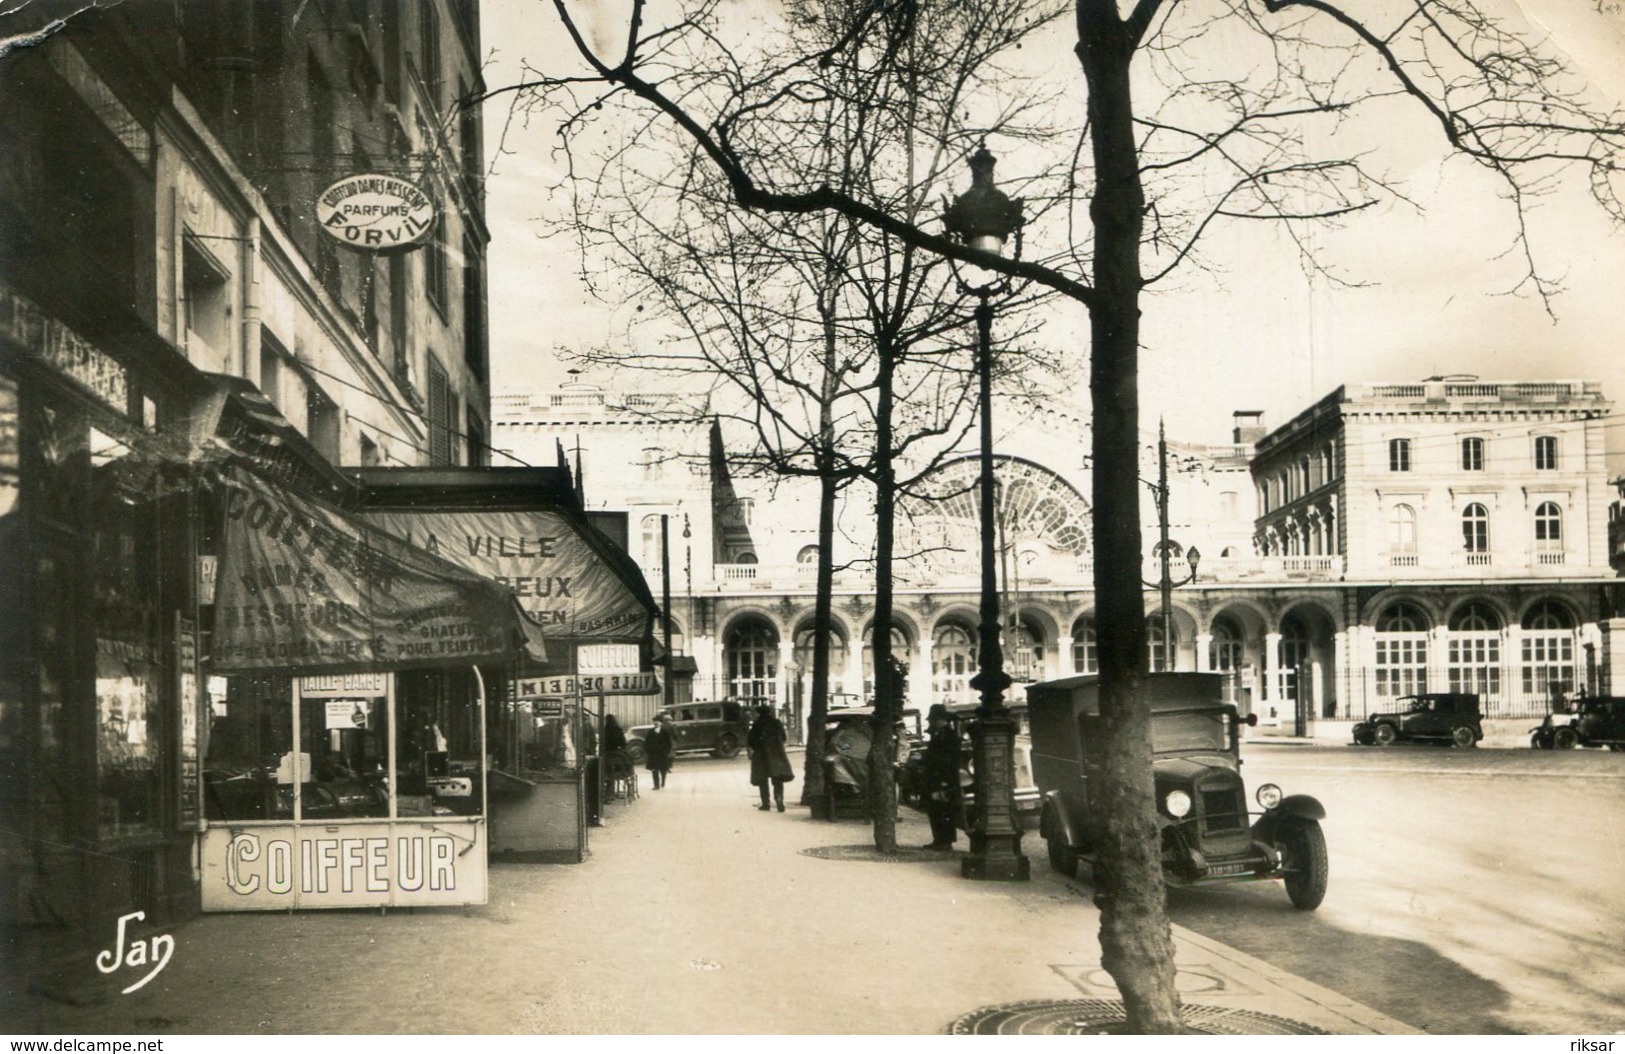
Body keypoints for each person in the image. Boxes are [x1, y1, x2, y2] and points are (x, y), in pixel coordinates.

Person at [921, 703, 962, 850]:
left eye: (933, 720)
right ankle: (939, 839)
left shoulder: (948, 736)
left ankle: (945, 841)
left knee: (944, 810)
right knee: (936, 810)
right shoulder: (941, 734)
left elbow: (948, 760)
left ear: (940, 719)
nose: (931, 723)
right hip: (937, 778)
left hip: (944, 779)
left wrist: (944, 781)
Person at [747, 704, 795, 812]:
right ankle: (779, 800)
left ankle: (766, 803)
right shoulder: (777, 722)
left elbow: (751, 740)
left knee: (762, 780)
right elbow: (783, 737)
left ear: (759, 713)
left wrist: (756, 748)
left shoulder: (757, 724)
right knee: (777, 778)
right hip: (776, 753)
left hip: (761, 755)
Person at [645, 713, 675, 789]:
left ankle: (663, 781)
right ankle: (656, 785)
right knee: (654, 770)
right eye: (655, 721)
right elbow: (647, 743)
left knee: (663, 769)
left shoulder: (665, 732)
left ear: (661, 723)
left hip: (662, 754)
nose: (656, 723)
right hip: (653, 755)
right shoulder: (650, 732)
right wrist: (649, 751)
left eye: (658, 721)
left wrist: (666, 752)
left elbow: (668, 743)